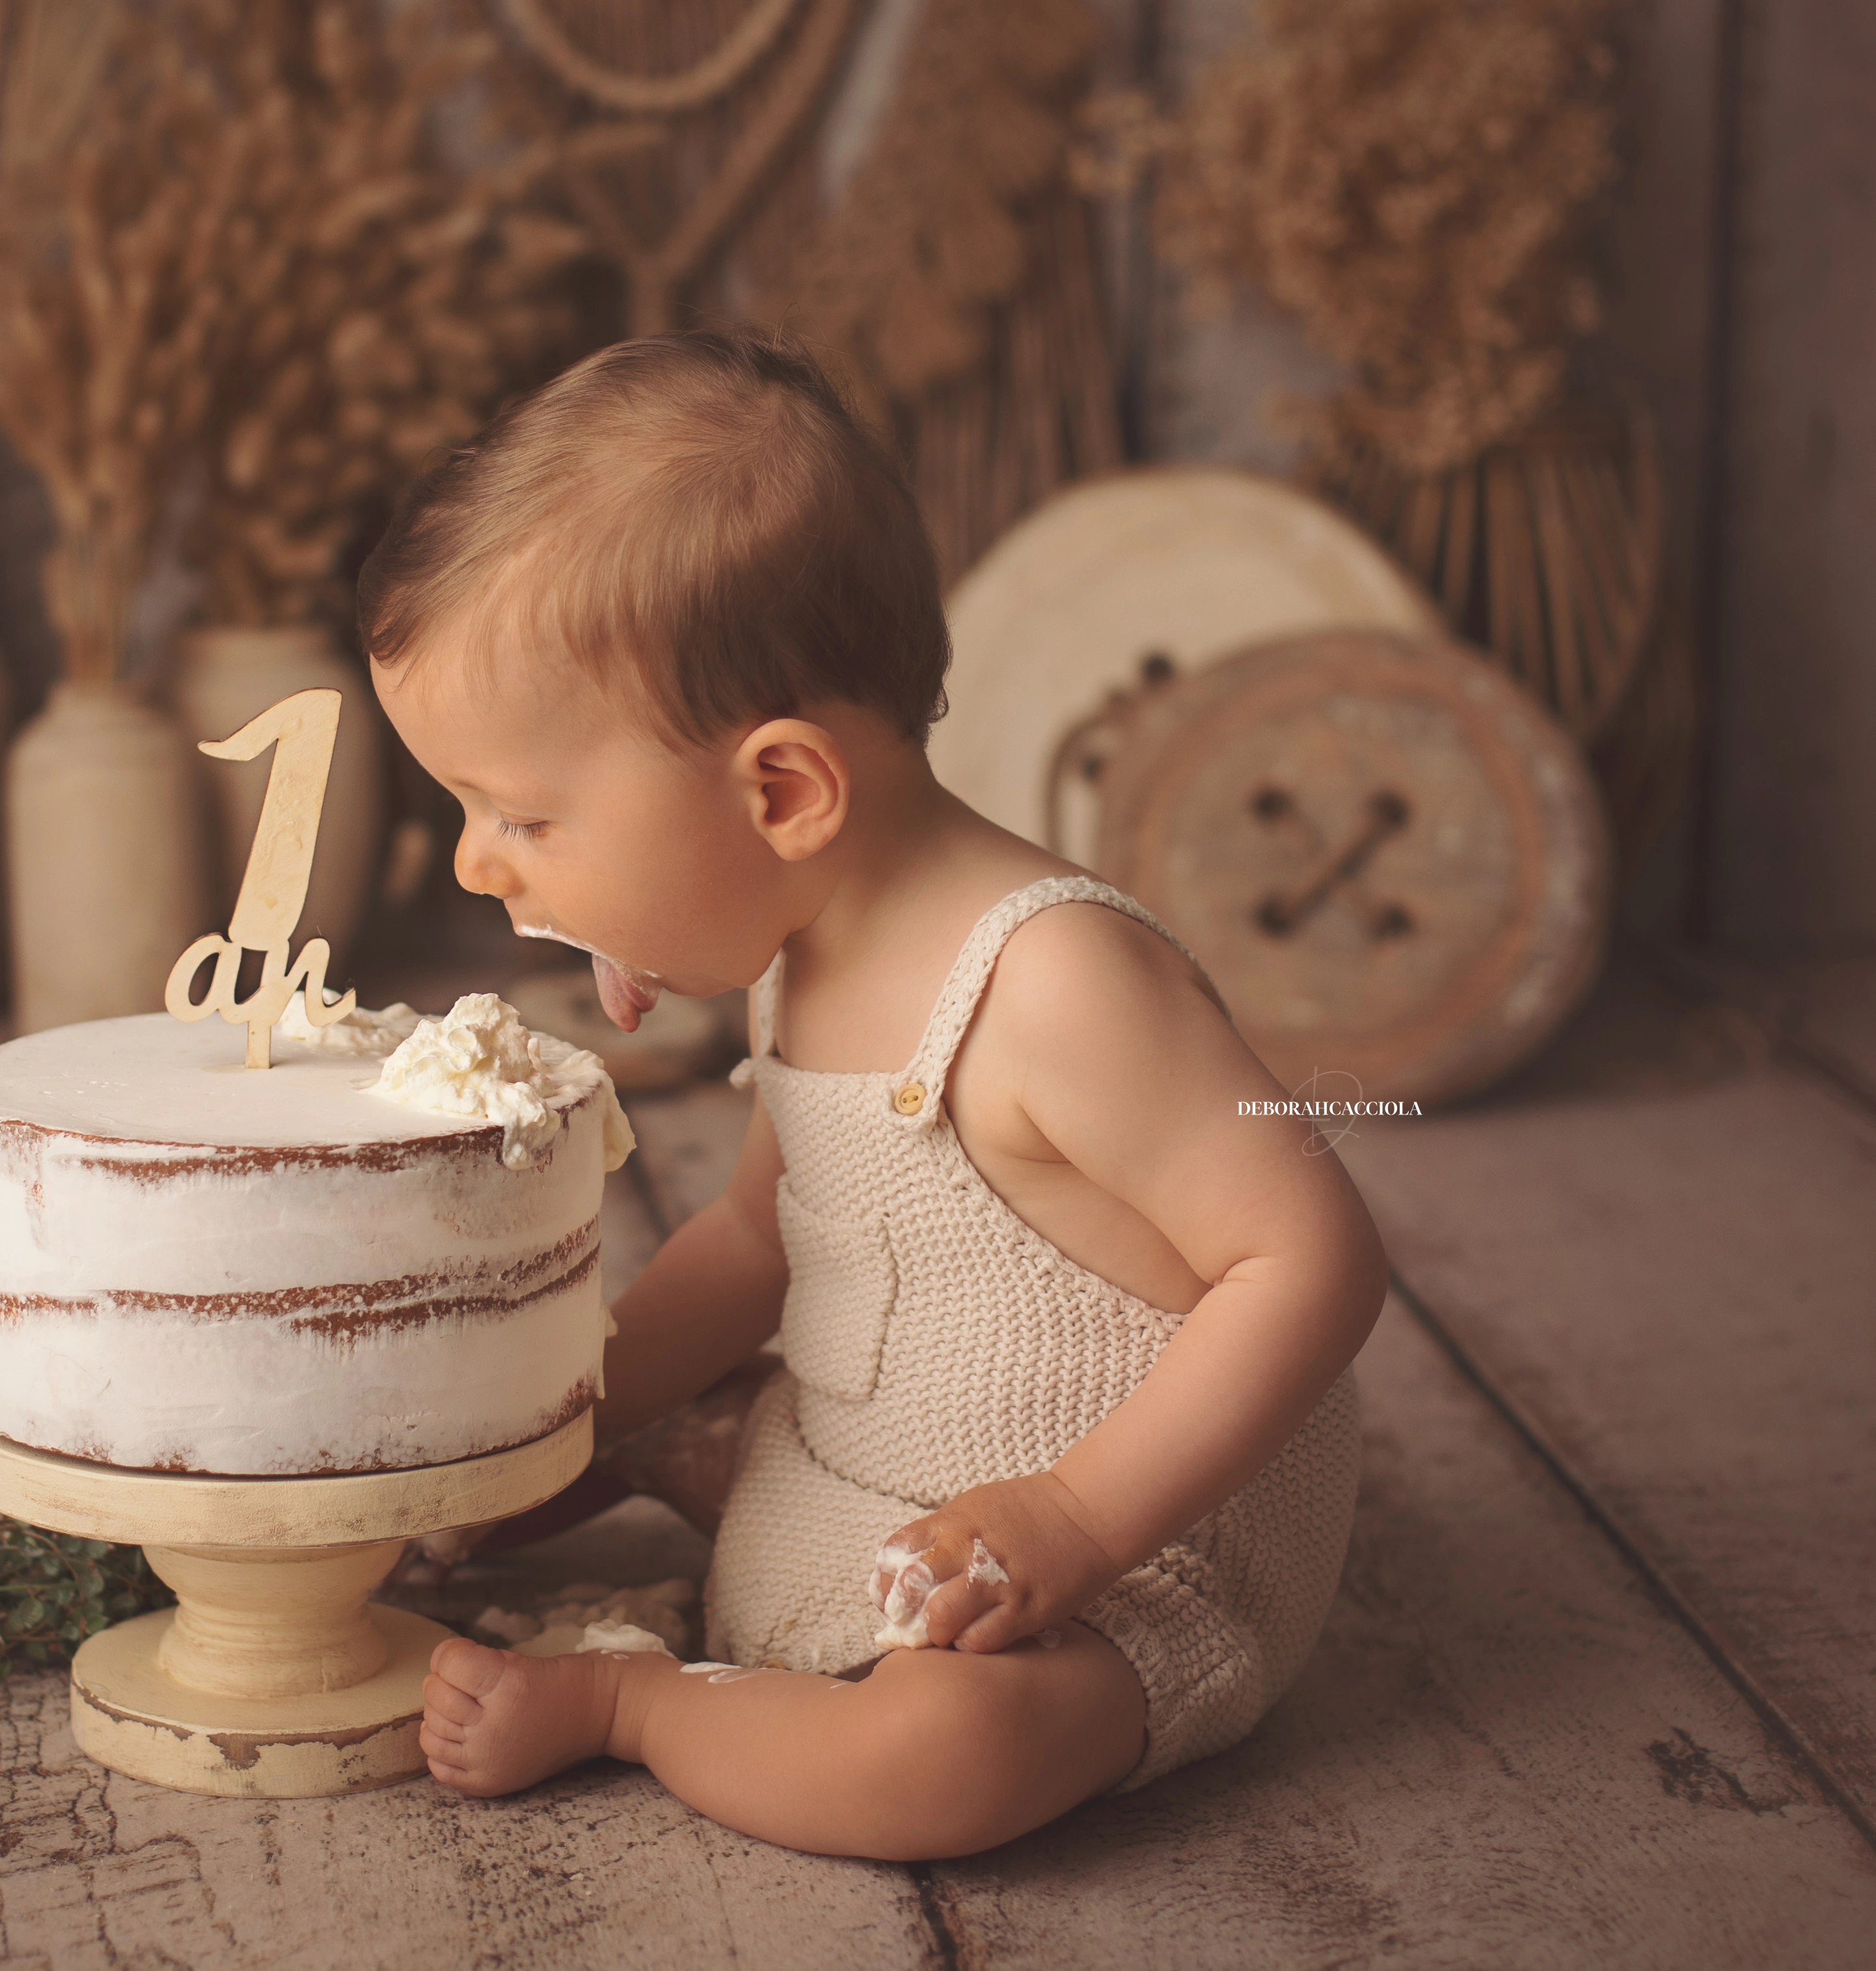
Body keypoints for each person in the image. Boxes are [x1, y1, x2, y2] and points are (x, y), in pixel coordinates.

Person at [361, 329, 1385, 1859]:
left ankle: (630, 1706)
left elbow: (1314, 1259)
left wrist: (1077, 1519)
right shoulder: (802, 940)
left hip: (1117, 1569)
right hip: (863, 1479)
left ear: (779, 792)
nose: (473, 862)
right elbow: (763, 1233)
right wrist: (557, 1414)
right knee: (568, 1426)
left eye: (523, 813)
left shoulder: (1056, 984)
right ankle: (555, 1488)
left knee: (942, 1755)